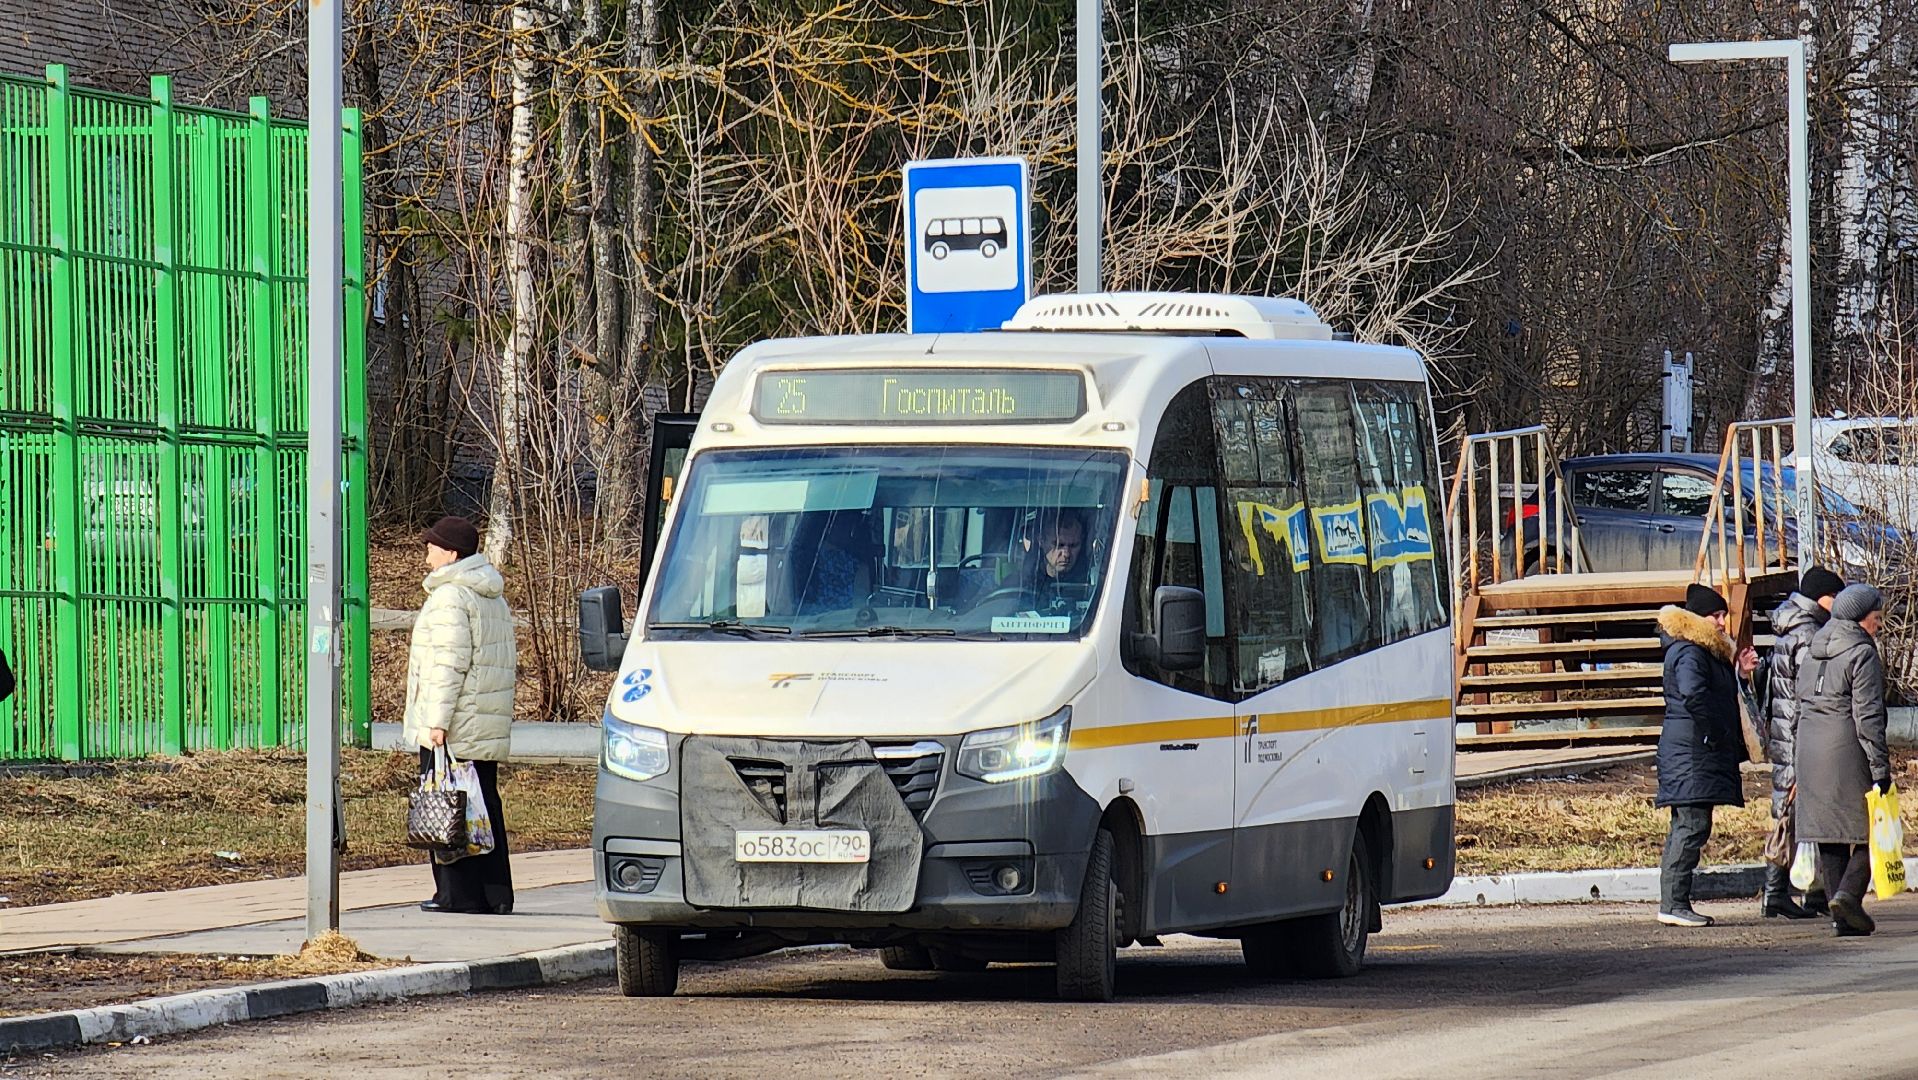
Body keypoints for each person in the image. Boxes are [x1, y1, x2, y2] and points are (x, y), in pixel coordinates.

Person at [404, 515, 519, 915]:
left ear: (451, 553)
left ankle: (457, 895)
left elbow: (448, 664)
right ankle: (496, 894)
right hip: (482, 720)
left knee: (448, 806)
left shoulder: (451, 597)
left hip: (455, 723)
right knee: (483, 802)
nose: (427, 555)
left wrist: (436, 721)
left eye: (432, 547)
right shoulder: (490, 594)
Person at [1655, 583, 1760, 928]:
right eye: (1715, 615)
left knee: (1689, 825)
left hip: (1694, 751)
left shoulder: (1703, 651)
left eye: (1722, 615)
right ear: (1697, 618)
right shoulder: (1689, 652)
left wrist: (1740, 674)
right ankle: (1673, 904)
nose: (1720, 622)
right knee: (1690, 826)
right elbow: (1694, 695)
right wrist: (1714, 733)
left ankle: (1675, 902)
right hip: (1692, 752)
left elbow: (1713, 692)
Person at [1794, 583, 1893, 938]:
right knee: (1875, 831)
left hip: (1808, 748)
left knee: (1829, 834)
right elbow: (1868, 716)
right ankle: (1848, 896)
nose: (1879, 626)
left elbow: (1798, 702)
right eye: (1877, 619)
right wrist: (1881, 768)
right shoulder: (1862, 652)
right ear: (1860, 619)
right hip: (1845, 748)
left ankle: (1841, 918)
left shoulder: (1813, 647)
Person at [1758, 565, 1845, 919]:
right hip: (1801, 735)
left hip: (1786, 732)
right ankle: (1779, 892)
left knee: (1794, 813)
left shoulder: (1791, 628)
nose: (1838, 604)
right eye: (1835, 596)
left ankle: (1801, 894)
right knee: (1798, 815)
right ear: (1821, 597)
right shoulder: (1810, 634)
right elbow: (1812, 691)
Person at [1019, 509, 1091, 612]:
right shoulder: (1022, 584)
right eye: (1059, 545)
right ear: (1041, 541)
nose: (1066, 554)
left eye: (1073, 545)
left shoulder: (1092, 586)